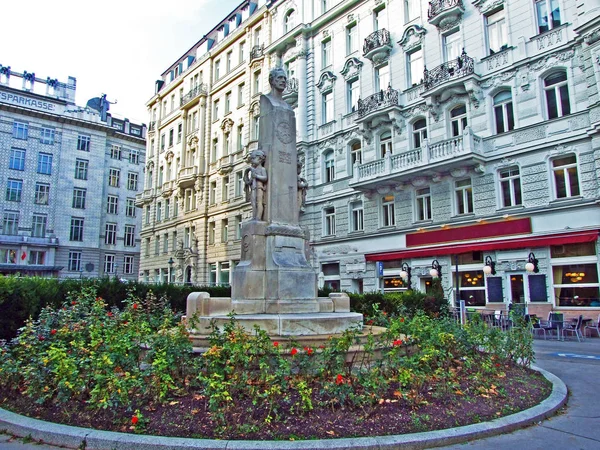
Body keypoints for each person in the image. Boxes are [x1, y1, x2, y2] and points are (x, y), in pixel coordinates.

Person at [244, 149, 268, 220]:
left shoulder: (262, 169)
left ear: (260, 159)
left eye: (253, 158)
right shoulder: (253, 170)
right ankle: (254, 216)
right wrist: (248, 181)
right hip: (253, 188)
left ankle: (258, 217)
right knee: (253, 203)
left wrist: (257, 176)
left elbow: (265, 178)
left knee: (259, 202)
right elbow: (251, 180)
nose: (251, 160)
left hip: (259, 188)